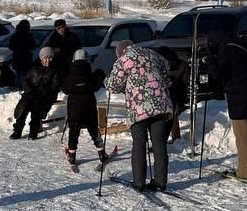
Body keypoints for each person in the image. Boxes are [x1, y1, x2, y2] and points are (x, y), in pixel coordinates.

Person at [105, 41, 173, 191]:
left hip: (139, 108)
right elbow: (166, 68)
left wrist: (106, 80)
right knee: (159, 143)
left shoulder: (123, 60)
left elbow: (113, 85)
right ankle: (160, 182)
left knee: (139, 143)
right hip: (161, 104)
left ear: (120, 52)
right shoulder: (152, 53)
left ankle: (139, 182)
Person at [205, 30, 247, 180]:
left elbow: (219, 75)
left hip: (240, 98)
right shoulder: (239, 46)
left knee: (242, 137)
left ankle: (245, 172)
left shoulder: (225, 51)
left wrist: (210, 60)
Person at [61, 48, 106, 166]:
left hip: (74, 109)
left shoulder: (69, 77)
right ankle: (101, 152)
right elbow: (96, 86)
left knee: (73, 131)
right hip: (89, 108)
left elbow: (65, 90)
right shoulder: (90, 76)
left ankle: (72, 155)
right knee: (94, 130)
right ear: (87, 60)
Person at [10, 46, 60, 140]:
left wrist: (42, 92)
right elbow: (25, 81)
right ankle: (17, 130)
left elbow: (55, 86)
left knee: (37, 107)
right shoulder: (34, 67)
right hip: (31, 93)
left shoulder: (55, 70)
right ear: (41, 58)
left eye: (49, 58)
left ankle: (33, 131)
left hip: (45, 95)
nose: (47, 60)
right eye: (45, 57)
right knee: (24, 107)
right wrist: (30, 90)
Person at [155, 44, 189, 142]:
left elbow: (185, 85)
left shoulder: (181, 65)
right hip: (165, 97)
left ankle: (163, 140)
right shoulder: (182, 64)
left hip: (175, 97)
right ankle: (162, 139)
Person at [46, 17, 81, 87]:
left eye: (62, 27)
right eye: (58, 28)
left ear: (65, 27)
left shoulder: (72, 36)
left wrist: (66, 50)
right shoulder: (53, 38)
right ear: (56, 29)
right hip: (58, 63)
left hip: (70, 61)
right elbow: (48, 49)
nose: (60, 30)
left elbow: (78, 48)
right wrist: (54, 50)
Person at [6, 18, 37, 89]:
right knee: (24, 74)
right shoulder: (28, 35)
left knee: (18, 74)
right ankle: (23, 88)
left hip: (17, 57)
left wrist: (17, 49)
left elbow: (10, 46)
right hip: (25, 58)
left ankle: (17, 87)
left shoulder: (15, 35)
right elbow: (33, 46)